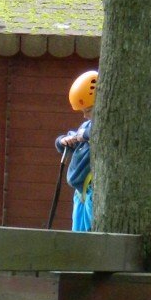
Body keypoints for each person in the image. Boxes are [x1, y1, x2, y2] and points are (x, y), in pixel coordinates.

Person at [54, 69, 97, 232]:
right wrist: (63, 141)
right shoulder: (86, 125)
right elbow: (73, 136)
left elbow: (95, 133)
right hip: (80, 194)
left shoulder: (98, 128)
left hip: (91, 190)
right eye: (83, 111)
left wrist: (83, 136)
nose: (85, 116)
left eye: (88, 110)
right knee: (77, 234)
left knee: (88, 233)